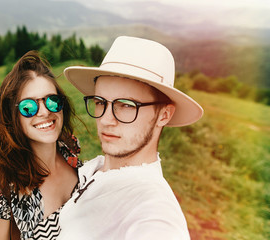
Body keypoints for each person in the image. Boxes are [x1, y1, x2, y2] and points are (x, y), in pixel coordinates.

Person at [58, 36, 204, 239]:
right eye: (100, 102)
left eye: (127, 105)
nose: (106, 119)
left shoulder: (154, 211)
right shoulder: (93, 168)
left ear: (164, 115)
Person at [0, 50, 82, 240]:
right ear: (11, 115)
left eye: (52, 101)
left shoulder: (70, 150)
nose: (44, 112)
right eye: (29, 107)